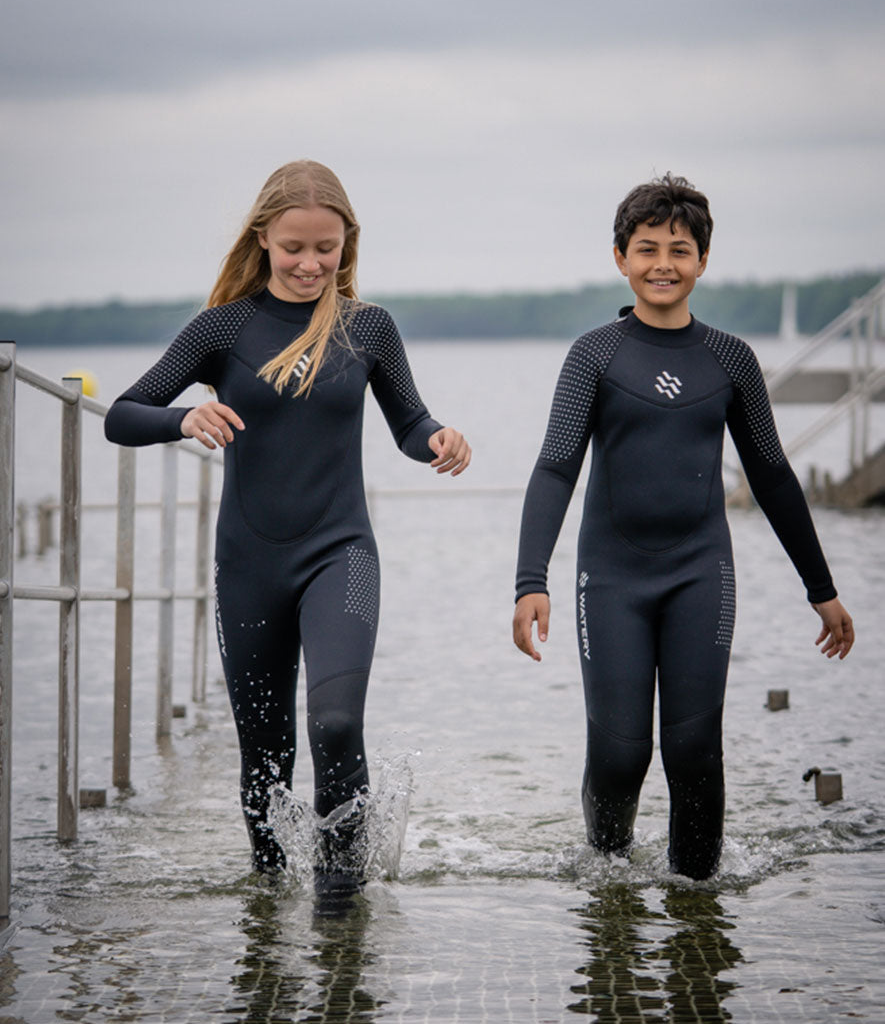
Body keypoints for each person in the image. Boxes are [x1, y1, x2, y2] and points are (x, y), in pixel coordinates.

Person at [105, 160, 471, 891]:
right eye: (294, 248)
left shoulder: (368, 328)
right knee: (265, 757)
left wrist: (437, 437)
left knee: (335, 723)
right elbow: (122, 414)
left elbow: (409, 422)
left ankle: (341, 906)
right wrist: (184, 418)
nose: (310, 264)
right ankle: (270, 900)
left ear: (347, 243)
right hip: (249, 565)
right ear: (264, 239)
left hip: (341, 553)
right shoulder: (223, 328)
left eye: (326, 249)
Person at [512, 174, 854, 880]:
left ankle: (698, 899)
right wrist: (529, 581)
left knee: (694, 751)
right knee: (620, 754)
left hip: (702, 573)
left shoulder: (729, 359)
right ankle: (606, 877)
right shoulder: (593, 355)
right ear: (620, 258)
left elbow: (772, 476)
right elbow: (554, 468)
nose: (662, 263)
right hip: (611, 577)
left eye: (679, 249)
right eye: (647, 248)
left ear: (702, 260)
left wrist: (820, 588)